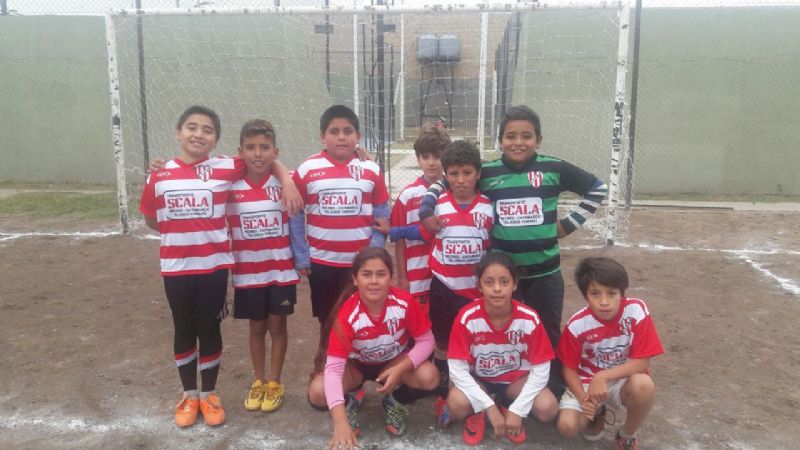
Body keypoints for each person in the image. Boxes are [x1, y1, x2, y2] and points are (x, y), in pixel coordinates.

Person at [419, 105, 608, 396]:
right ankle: (509, 391)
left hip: (545, 273)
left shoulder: (553, 169)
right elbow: (447, 179)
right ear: (500, 140)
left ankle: (552, 392)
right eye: (510, 136)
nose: (518, 142)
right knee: (507, 337)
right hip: (505, 280)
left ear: (539, 139)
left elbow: (597, 188)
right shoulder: (489, 171)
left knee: (546, 333)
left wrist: (568, 225)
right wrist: (427, 210)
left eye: (526, 136)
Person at [139, 105, 240, 427]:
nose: (199, 134)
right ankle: (189, 395)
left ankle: (210, 394)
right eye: (192, 127)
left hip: (213, 268)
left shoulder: (225, 168)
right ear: (178, 133)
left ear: (216, 139)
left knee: (209, 328)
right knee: (183, 328)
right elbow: (150, 218)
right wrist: (181, 230)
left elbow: (264, 161)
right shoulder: (160, 174)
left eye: (207, 130)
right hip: (176, 268)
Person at [389, 140, 493, 403]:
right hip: (443, 288)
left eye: (466, 173)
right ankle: (443, 395)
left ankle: (474, 398)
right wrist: (391, 230)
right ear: (446, 176)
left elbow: (493, 249)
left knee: (473, 345)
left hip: (474, 292)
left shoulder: (488, 208)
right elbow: (420, 232)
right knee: (443, 344)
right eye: (454, 174)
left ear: (478, 174)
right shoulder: (437, 206)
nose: (460, 179)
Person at [307, 247, 439, 449]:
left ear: (390, 277)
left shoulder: (404, 303)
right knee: (317, 392)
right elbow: (334, 370)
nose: (374, 281)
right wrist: (340, 422)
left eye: (381, 274)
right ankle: (351, 400)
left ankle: (394, 400)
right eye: (366, 274)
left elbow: (427, 341)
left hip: (392, 363)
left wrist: (401, 368)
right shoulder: (347, 314)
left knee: (430, 376)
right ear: (355, 279)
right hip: (357, 367)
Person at [290, 105, 390, 330]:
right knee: (328, 320)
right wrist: (301, 254)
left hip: (360, 265)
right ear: (322, 137)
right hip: (322, 262)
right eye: (334, 132)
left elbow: (381, 211)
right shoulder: (308, 169)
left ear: (358, 136)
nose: (341, 137)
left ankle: (357, 364)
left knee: (361, 319)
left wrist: (373, 250)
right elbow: (295, 214)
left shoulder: (370, 169)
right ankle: (327, 363)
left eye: (348, 131)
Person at [226, 119, 302, 413]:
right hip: (247, 274)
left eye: (265, 148)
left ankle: (274, 382)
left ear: (276, 151)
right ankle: (258, 381)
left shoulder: (289, 182)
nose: (258, 154)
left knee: (277, 326)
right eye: (251, 148)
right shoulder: (229, 184)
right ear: (240, 151)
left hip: (280, 272)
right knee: (256, 327)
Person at [444, 252, 558, 445]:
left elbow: (541, 368)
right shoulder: (466, 318)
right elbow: (457, 370)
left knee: (548, 409)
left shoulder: (529, 318)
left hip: (514, 381)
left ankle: (507, 405)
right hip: (480, 380)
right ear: (479, 286)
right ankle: (479, 411)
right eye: (489, 282)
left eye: (504, 282)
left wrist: (518, 410)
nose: (497, 288)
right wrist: (488, 406)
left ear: (514, 284)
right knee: (455, 404)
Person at [556, 256, 663, 450]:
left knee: (643, 385)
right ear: (585, 295)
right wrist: (583, 399)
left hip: (621, 377)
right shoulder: (577, 325)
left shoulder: (636, 311)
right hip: (586, 381)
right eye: (595, 293)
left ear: (622, 293)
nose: (604, 301)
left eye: (611, 293)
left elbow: (642, 362)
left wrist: (603, 376)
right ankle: (597, 412)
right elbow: (569, 369)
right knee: (568, 427)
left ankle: (627, 434)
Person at [388, 124, 450, 317]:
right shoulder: (407, 196)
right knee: (419, 327)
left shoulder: (455, 191)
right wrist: (402, 278)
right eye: (425, 157)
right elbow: (399, 241)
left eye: (437, 156)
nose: (431, 163)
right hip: (417, 276)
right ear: (418, 159)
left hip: (448, 275)